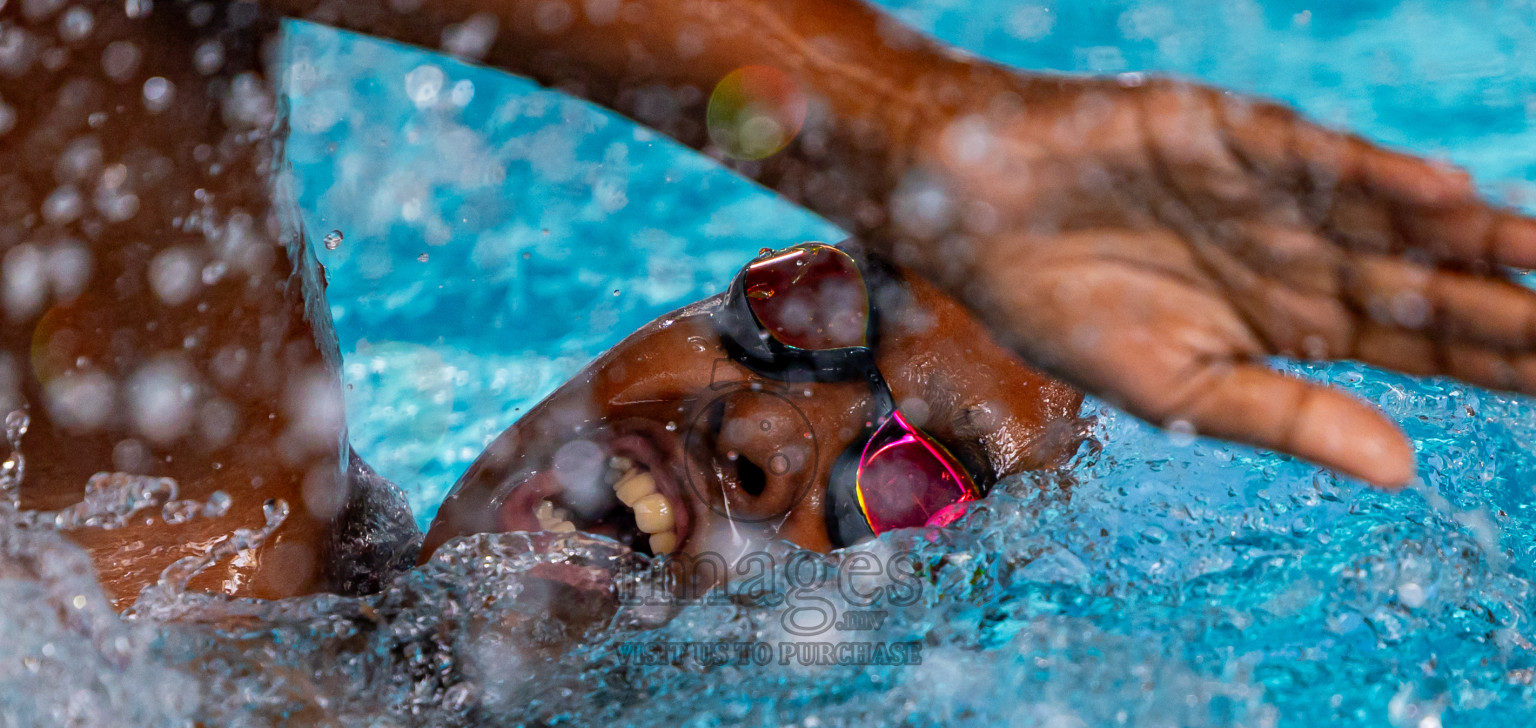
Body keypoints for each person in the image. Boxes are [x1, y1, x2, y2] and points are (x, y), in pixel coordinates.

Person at [3, 0, 1535, 610]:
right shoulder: (196, 542)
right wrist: (901, 128)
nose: (759, 440)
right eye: (804, 312)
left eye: (913, 479)